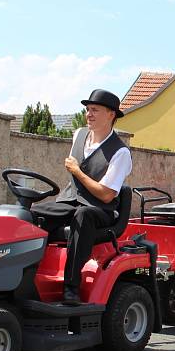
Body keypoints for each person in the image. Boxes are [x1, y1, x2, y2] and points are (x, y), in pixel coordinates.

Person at [31, 89, 132, 305]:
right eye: (87, 110)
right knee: (31, 213)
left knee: (83, 215)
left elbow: (106, 195)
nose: (89, 114)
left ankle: (71, 287)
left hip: (101, 211)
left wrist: (77, 171)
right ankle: (27, 278)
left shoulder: (120, 152)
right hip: (70, 201)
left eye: (95, 110)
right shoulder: (78, 134)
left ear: (111, 114)